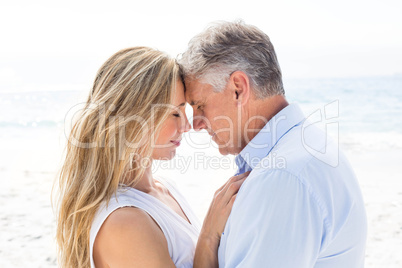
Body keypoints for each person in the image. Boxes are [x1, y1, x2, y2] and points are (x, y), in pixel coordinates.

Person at [179, 21, 367, 267]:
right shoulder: (305, 147)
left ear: (238, 88)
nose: (197, 124)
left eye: (200, 105)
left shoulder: (282, 176)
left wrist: (208, 239)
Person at [55, 47, 247, 268]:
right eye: (175, 113)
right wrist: (209, 236)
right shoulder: (124, 222)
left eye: (185, 111)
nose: (186, 126)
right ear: (133, 118)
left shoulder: (165, 189)